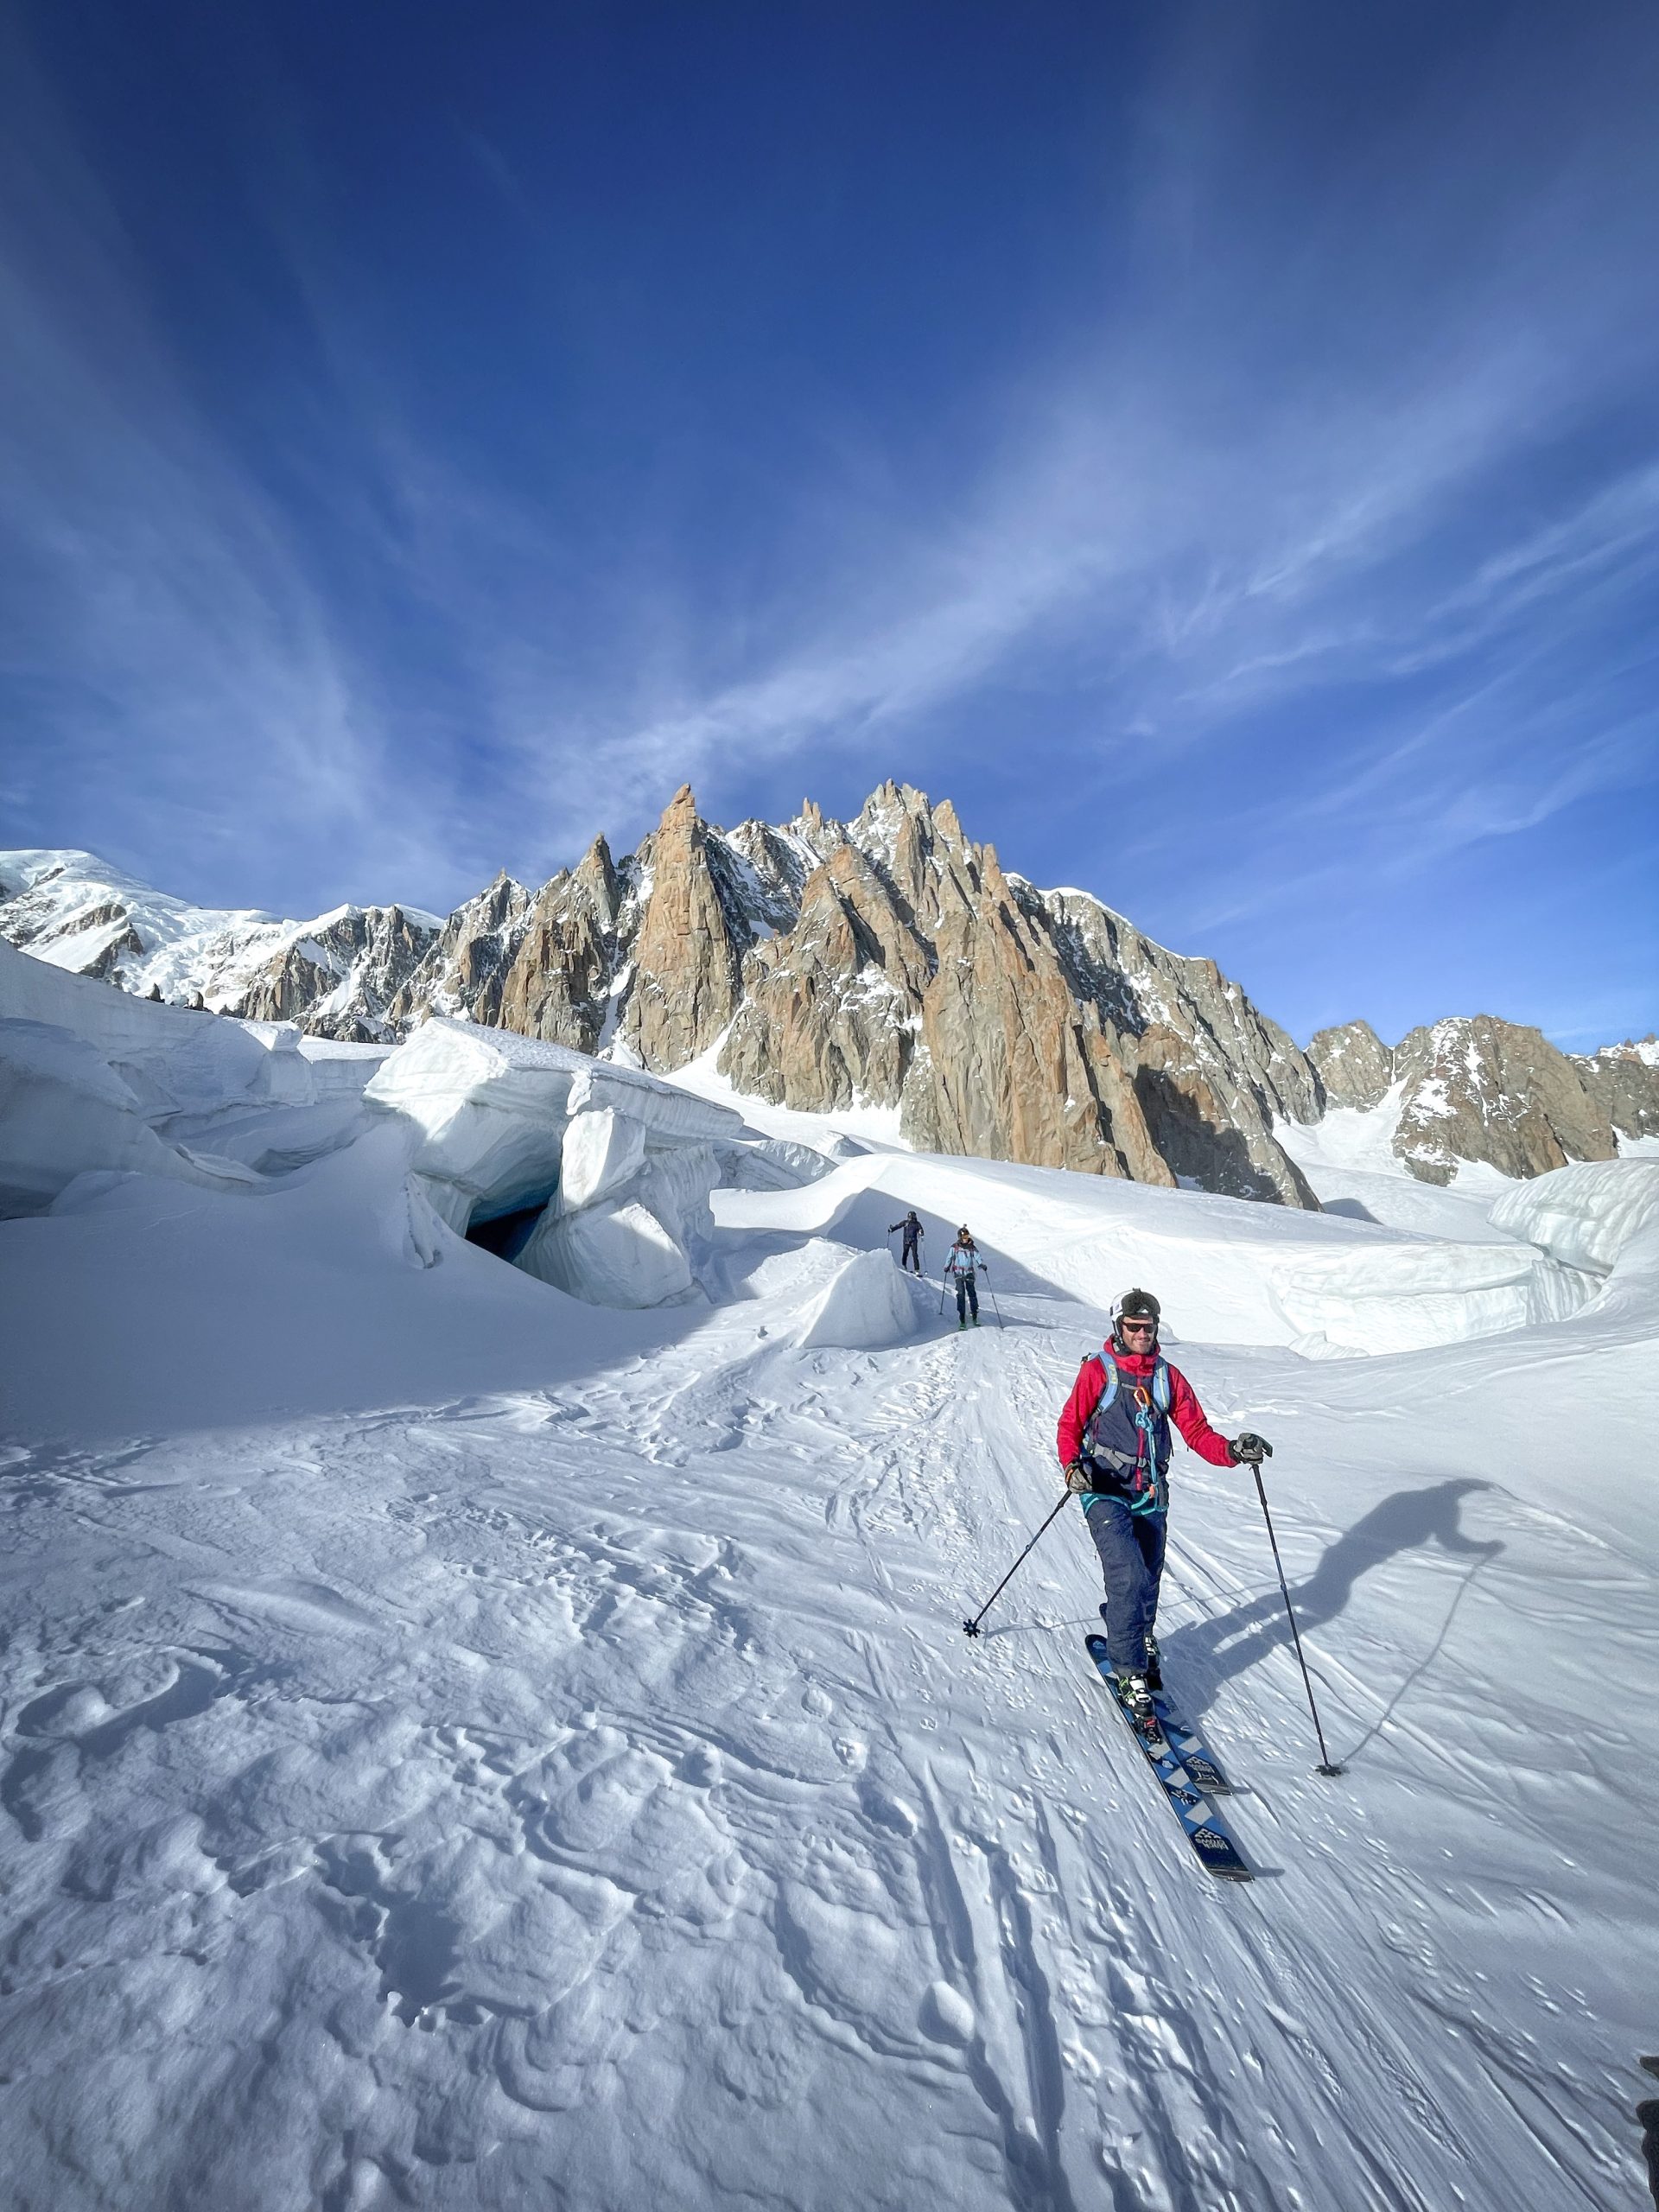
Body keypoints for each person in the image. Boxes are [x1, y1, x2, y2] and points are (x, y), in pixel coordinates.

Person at [1055, 1287, 1271, 1722]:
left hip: (1151, 1493)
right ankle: (1129, 1668)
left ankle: (1141, 1634)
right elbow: (1069, 1425)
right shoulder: (1098, 1371)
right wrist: (1071, 1466)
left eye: (1148, 1327)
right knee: (1129, 1576)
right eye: (1133, 1326)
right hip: (1104, 1489)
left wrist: (1232, 1449)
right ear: (1118, 1327)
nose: (1141, 1333)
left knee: (1150, 1577)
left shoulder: (1167, 1377)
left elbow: (1198, 1433)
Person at [944, 1227, 983, 1327]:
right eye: (964, 1236)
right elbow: (949, 1257)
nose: (966, 1238)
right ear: (960, 1237)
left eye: (967, 1236)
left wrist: (981, 1264)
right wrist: (947, 1266)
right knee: (961, 1293)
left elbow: (977, 1256)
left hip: (969, 1272)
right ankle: (962, 1316)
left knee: (972, 1293)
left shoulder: (972, 1247)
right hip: (958, 1272)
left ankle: (974, 1313)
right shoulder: (955, 1247)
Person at [889, 1210, 925, 1275]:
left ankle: (917, 1269)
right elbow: (898, 1226)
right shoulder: (905, 1222)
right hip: (906, 1240)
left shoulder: (917, 1224)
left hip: (913, 1241)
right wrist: (892, 1229)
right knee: (905, 1253)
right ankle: (904, 1266)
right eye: (909, 1217)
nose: (910, 1219)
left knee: (914, 1255)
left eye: (911, 1217)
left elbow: (921, 1230)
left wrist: (921, 1232)